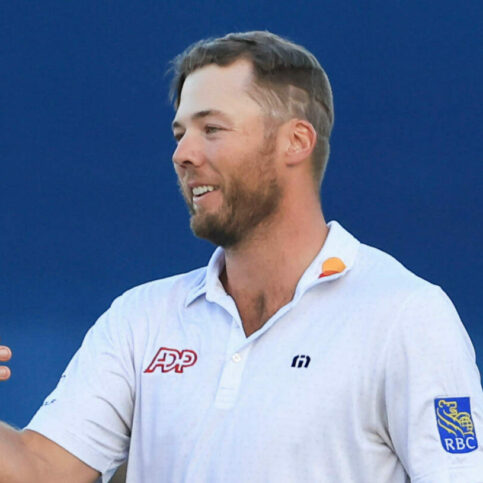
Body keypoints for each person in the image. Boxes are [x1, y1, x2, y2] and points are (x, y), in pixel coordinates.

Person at [1, 31, 482, 483]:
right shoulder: (141, 318)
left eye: (211, 128)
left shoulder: (406, 316)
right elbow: (37, 468)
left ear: (296, 141)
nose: (182, 154)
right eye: (179, 134)